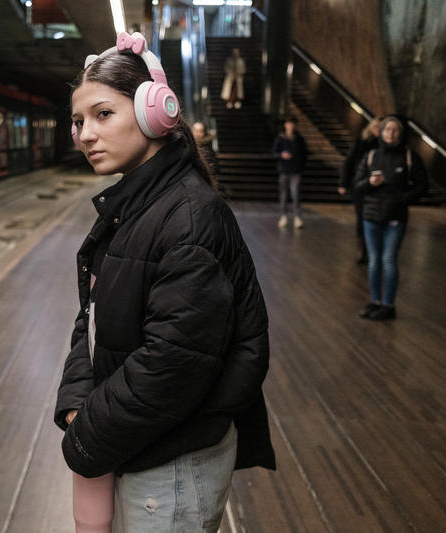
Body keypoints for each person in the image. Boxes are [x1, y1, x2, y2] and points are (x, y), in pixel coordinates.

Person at [56, 31, 275, 533]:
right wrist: (75, 399)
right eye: (79, 121)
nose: (86, 134)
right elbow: (94, 320)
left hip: (172, 464)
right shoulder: (137, 205)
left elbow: (174, 362)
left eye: (103, 114)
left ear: (155, 112)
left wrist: (86, 432)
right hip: (138, 442)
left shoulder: (188, 218)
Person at [353, 115, 427, 321]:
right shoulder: (371, 156)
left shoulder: (410, 157)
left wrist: (403, 198)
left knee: (388, 260)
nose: (391, 133)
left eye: (395, 130)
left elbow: (423, 186)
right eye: (387, 129)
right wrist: (370, 183)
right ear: (381, 132)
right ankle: (375, 301)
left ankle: (389, 305)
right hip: (371, 216)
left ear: (400, 134)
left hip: (395, 217)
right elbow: (357, 185)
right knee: (374, 261)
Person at [340, 118, 381, 264]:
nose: (379, 130)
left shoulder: (386, 146)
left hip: (379, 187)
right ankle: (362, 249)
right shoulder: (362, 142)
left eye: (381, 127)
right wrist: (344, 183)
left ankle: (373, 248)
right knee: (361, 217)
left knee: (376, 217)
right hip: (361, 184)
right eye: (377, 127)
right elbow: (349, 162)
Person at [272, 115, 308, 228]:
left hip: (295, 170)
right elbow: (274, 152)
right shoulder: (280, 138)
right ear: (285, 125)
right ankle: (283, 216)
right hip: (284, 170)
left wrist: (298, 162)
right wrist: (281, 155)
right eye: (288, 124)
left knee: (295, 193)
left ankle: (297, 217)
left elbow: (304, 154)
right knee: (283, 194)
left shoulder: (299, 139)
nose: (290, 126)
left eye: (292, 124)